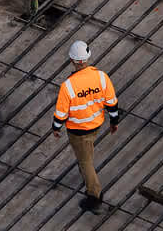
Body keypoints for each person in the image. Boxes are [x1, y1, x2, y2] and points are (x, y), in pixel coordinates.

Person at [51, 39, 119, 212]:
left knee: (85, 162)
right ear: (87, 57)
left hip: (78, 130)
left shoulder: (68, 86)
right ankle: (88, 177)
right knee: (86, 154)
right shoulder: (101, 77)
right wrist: (114, 121)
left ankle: (94, 195)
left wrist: (56, 128)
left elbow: (61, 113)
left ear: (73, 60)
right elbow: (111, 102)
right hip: (96, 124)